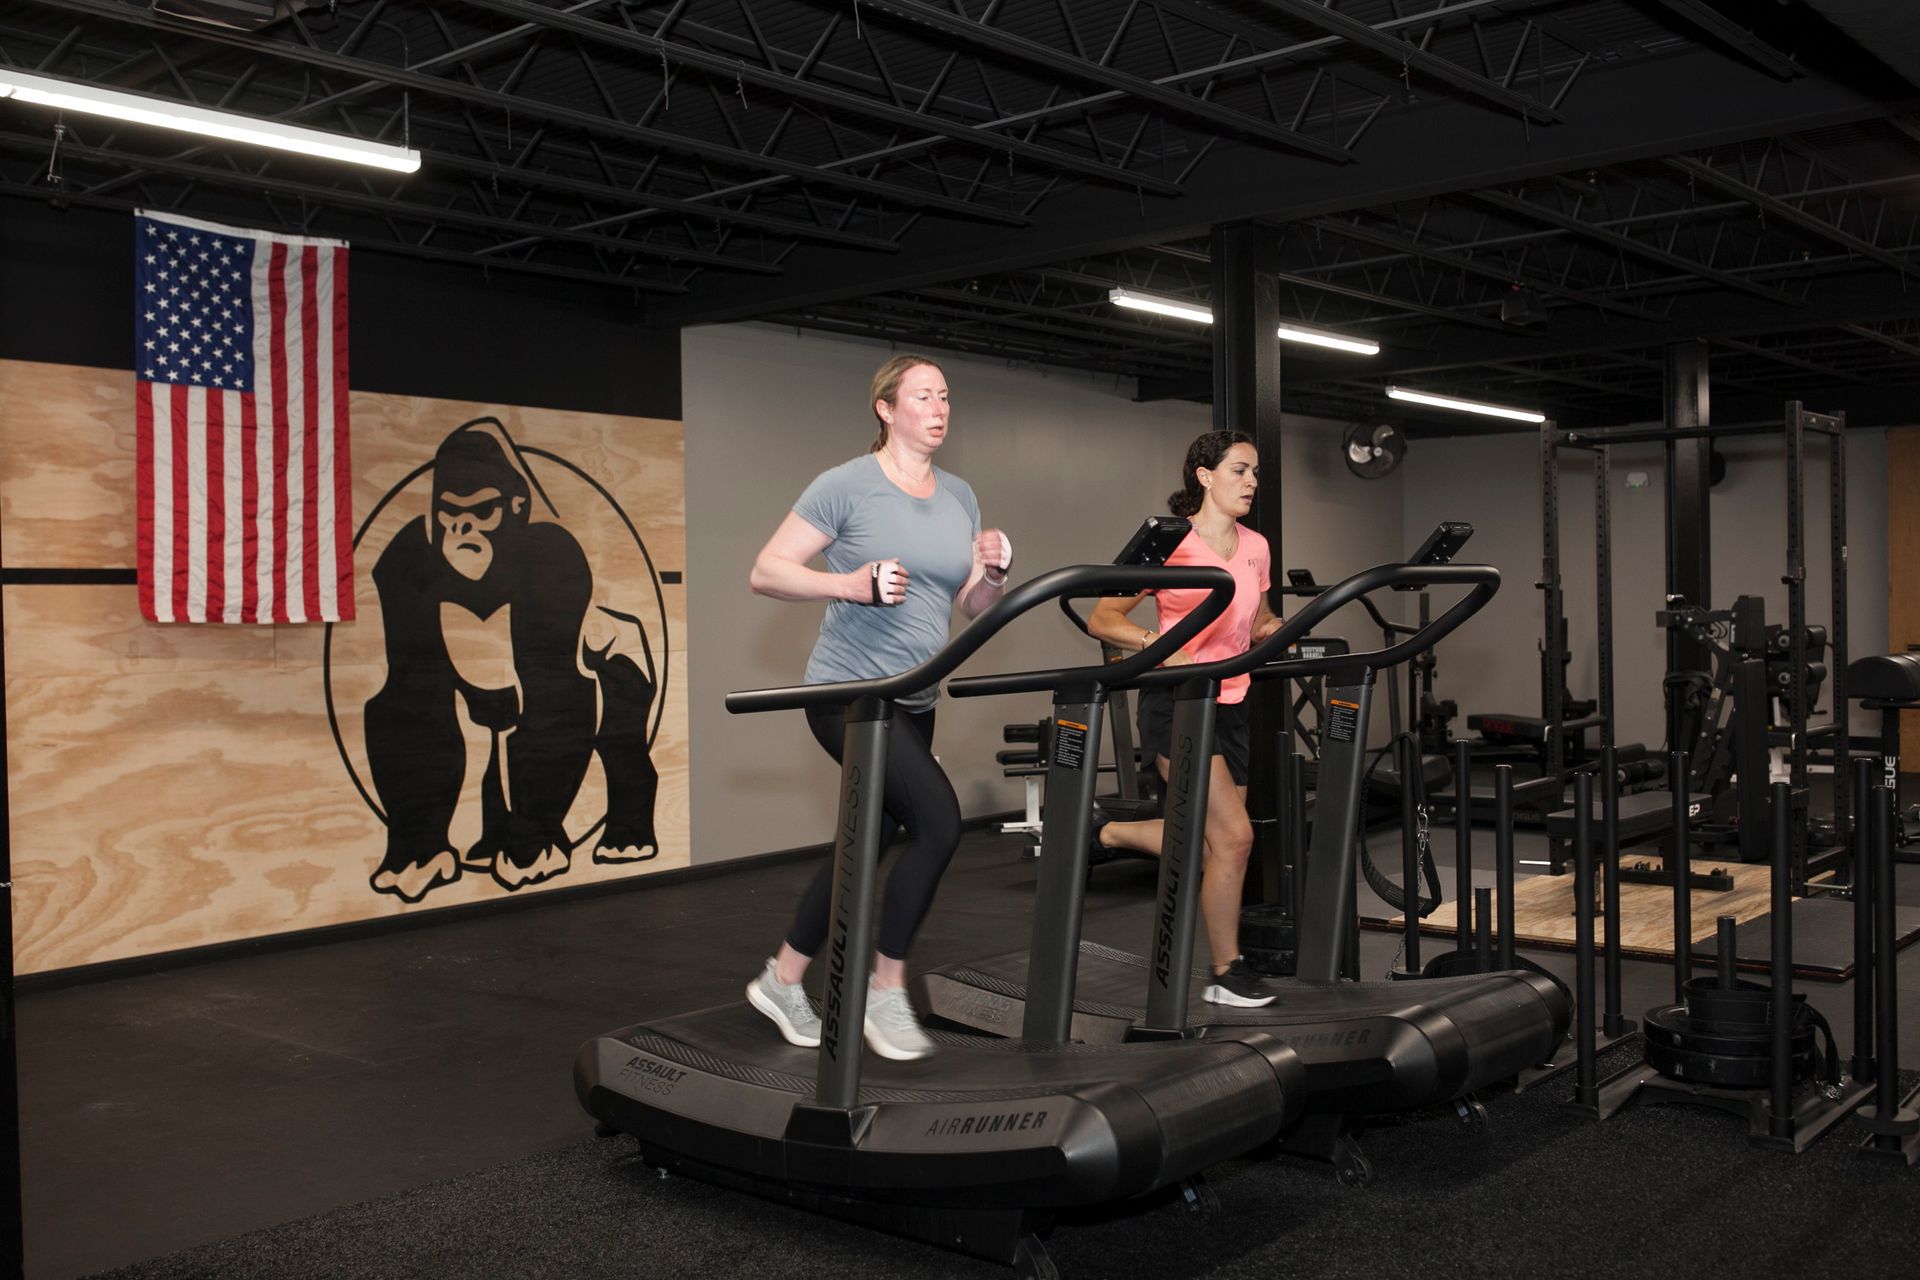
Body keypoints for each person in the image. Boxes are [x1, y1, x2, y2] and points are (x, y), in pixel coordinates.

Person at [742, 355, 1013, 1061]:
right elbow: (766, 572)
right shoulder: (846, 485)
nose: (939, 407)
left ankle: (781, 979)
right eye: (923, 395)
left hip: (915, 697)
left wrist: (994, 574)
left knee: (865, 840)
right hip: (850, 695)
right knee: (939, 824)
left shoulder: (959, 495)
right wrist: (850, 585)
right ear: (886, 409)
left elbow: (971, 606)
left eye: (945, 396)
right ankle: (885, 990)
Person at [1087, 430, 1281, 1007]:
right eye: (1240, 470)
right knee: (1236, 839)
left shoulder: (1256, 546)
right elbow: (1103, 617)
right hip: (1177, 701)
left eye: (1254, 472)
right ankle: (1227, 971)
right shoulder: (1168, 541)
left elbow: (1260, 616)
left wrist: (1276, 630)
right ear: (1205, 476)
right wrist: (1161, 646)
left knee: (1209, 846)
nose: (1251, 482)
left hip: (1233, 699)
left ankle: (1107, 832)